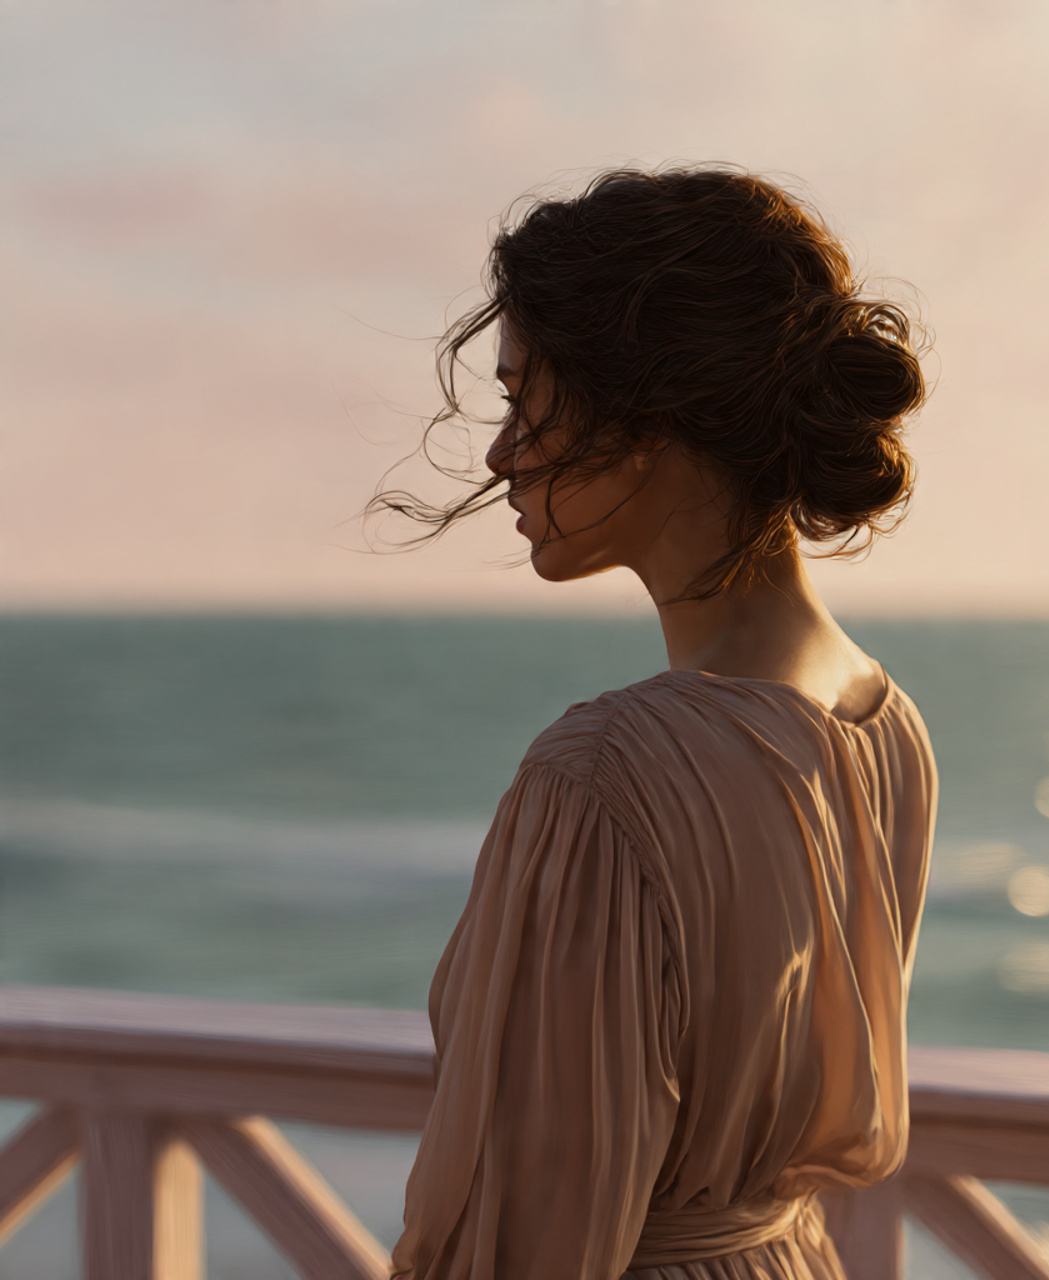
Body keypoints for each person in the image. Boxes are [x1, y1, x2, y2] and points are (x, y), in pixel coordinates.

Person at [383, 167, 937, 1280]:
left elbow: (532, 1236)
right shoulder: (881, 719)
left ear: (638, 415)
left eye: (522, 397)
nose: (498, 454)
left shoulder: (604, 775)